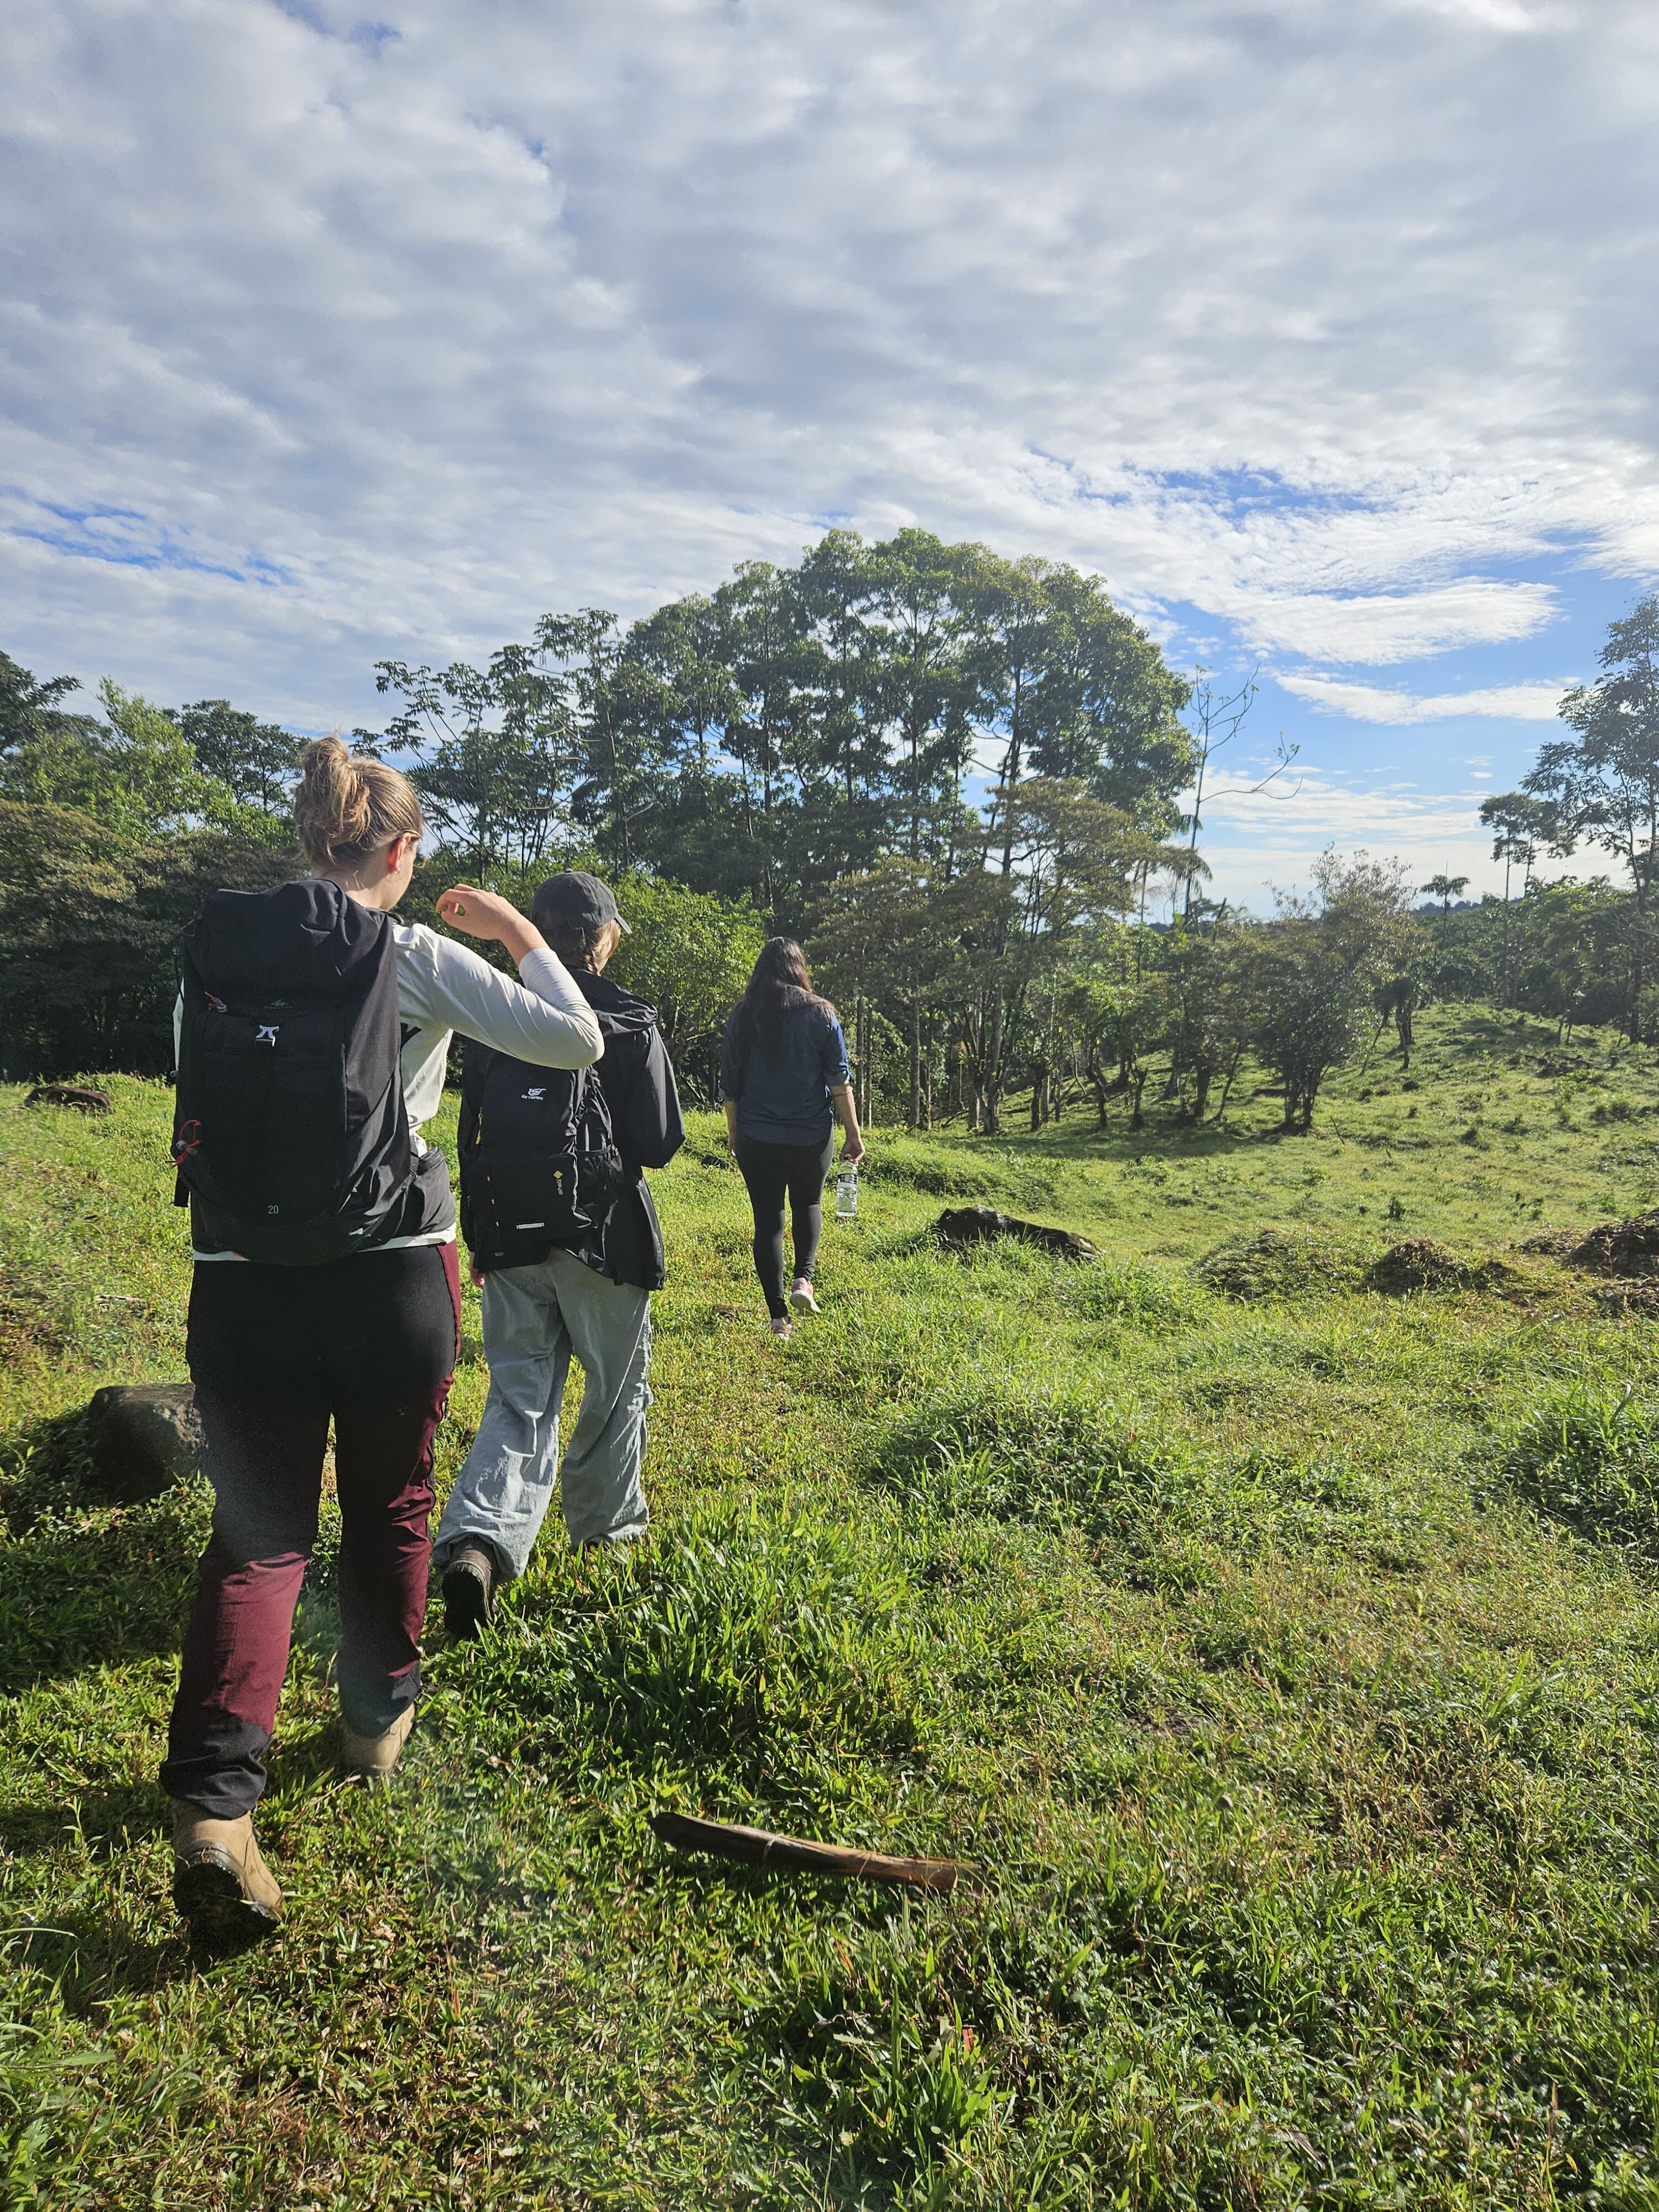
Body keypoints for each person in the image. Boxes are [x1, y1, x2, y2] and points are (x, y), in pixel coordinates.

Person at [162, 738, 605, 1948]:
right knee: (394, 1503)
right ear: (401, 852)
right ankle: (372, 1725)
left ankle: (215, 1806)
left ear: (313, 839)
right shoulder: (410, 953)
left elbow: (185, 1081)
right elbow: (578, 1040)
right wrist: (518, 926)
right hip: (395, 1277)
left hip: (237, 1280)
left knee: (257, 1537)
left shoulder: (217, 951)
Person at [432, 872, 684, 1634]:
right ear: (601, 939)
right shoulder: (631, 1020)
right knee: (613, 1395)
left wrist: (480, 1236)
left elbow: (471, 1134)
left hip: (509, 1236)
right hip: (606, 1240)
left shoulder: (495, 1014)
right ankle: (607, 1540)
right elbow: (661, 1143)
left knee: (517, 1398)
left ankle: (478, 1544)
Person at [720, 937, 864, 1341]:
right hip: (810, 1137)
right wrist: (853, 1134)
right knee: (808, 1203)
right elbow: (839, 1082)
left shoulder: (744, 1015)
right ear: (799, 968)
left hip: (756, 1136)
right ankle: (804, 1281)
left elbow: (729, 1087)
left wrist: (735, 1134)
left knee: (768, 1221)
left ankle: (778, 1319)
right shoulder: (822, 1014)